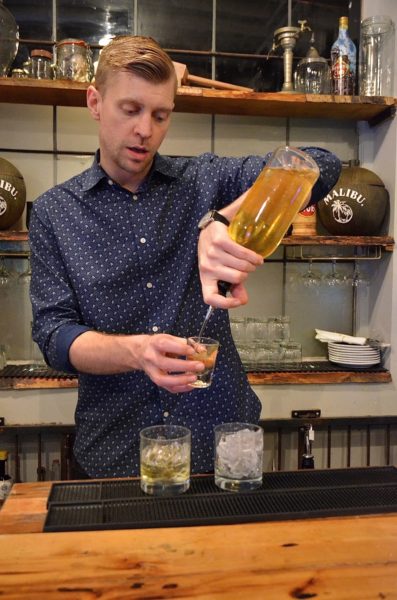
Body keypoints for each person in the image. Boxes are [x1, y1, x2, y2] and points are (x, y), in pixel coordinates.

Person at [29, 35, 341, 478]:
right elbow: (53, 336)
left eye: (160, 115)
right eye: (131, 110)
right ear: (95, 103)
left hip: (221, 446)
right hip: (116, 452)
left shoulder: (204, 180)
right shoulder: (54, 213)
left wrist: (225, 218)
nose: (145, 130)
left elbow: (324, 165)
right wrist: (138, 352)